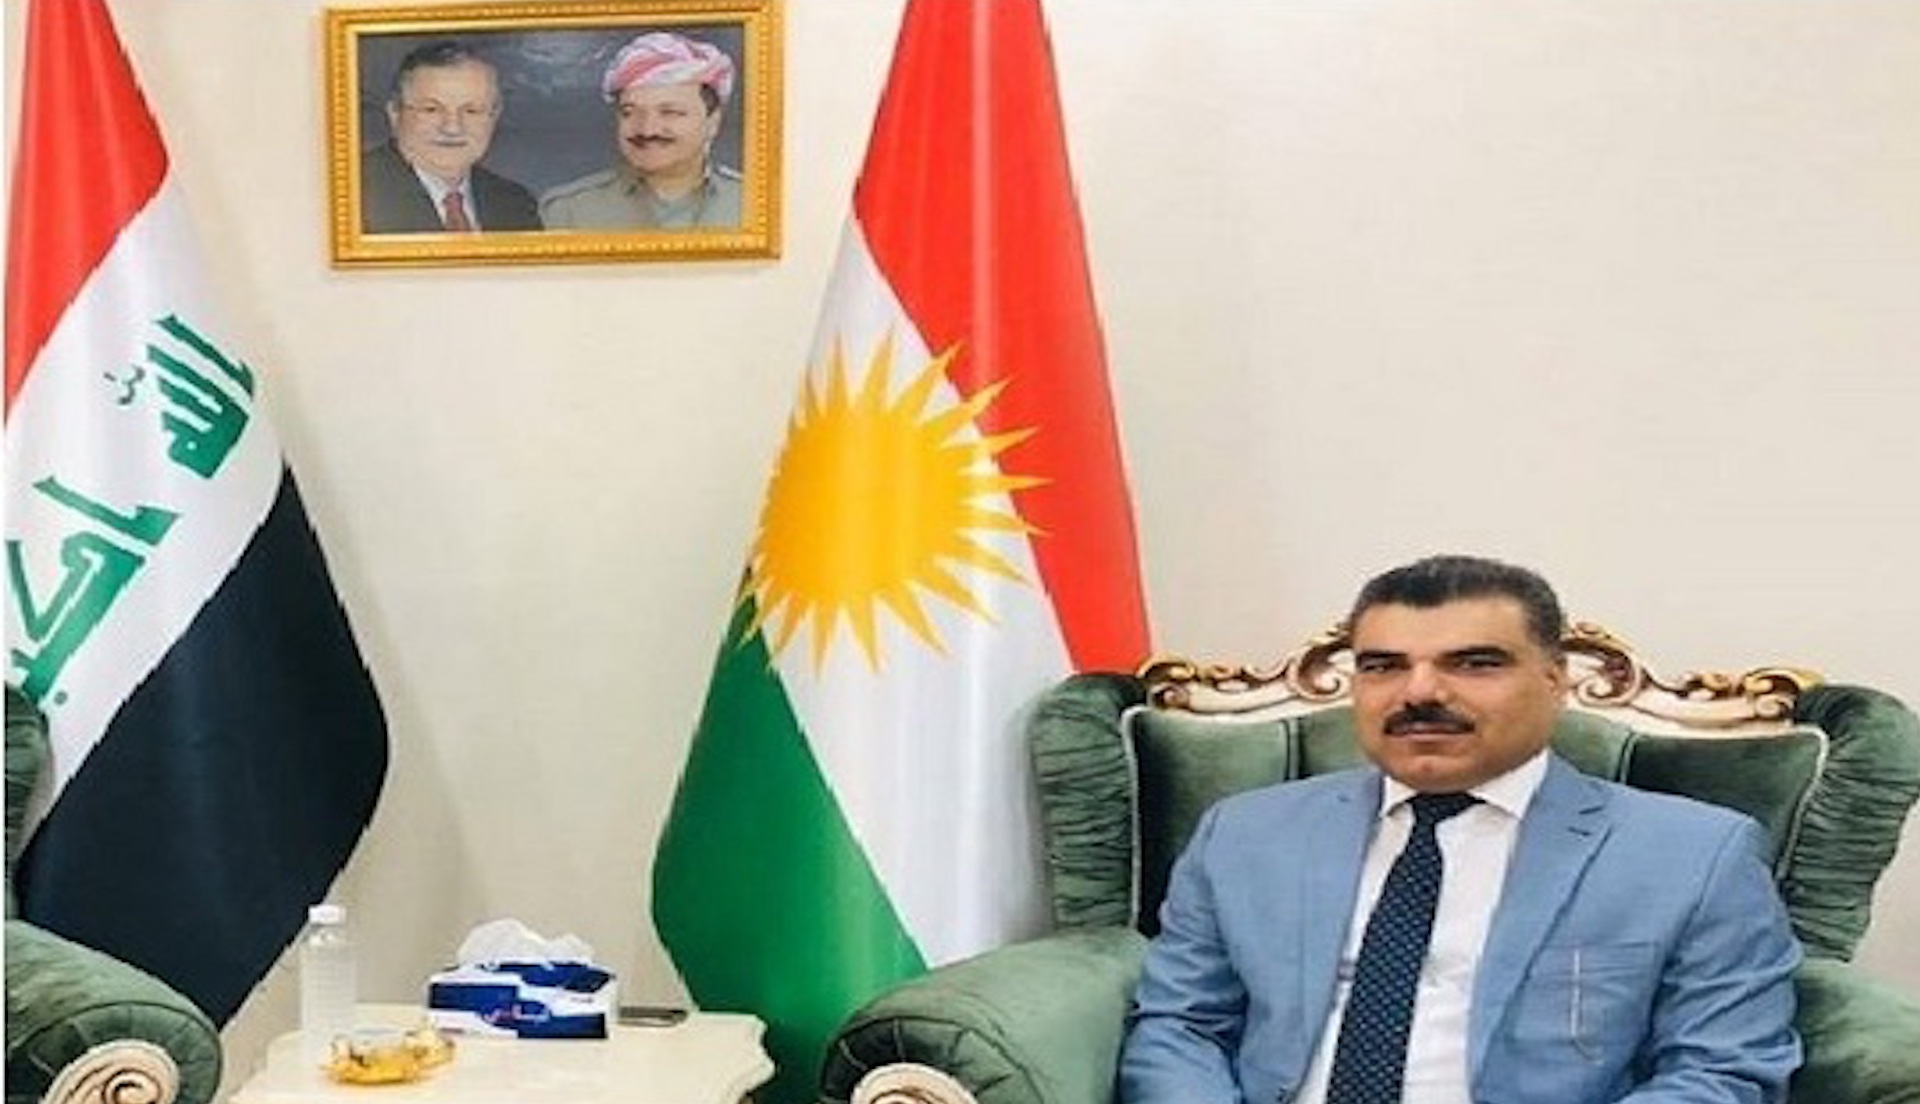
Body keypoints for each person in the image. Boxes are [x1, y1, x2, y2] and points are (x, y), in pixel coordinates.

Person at [1121, 554, 1802, 1104]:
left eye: (1475, 663)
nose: (1419, 692)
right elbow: (1183, 1026)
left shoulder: (1693, 855)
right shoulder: (1246, 834)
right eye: (1383, 666)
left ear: (1555, 680)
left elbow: (1723, 1070)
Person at [540, 31, 743, 231]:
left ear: (712, 122)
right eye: (629, 112)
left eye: (669, 112)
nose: (647, 129)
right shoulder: (569, 210)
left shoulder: (753, 201)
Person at [360, 41, 541, 234]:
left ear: (494, 117)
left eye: (471, 111)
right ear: (395, 114)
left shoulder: (516, 203)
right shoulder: (354, 193)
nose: (452, 128)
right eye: (432, 109)